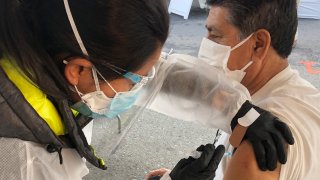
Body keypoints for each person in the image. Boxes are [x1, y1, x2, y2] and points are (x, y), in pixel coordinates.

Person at [0, 0, 294, 180]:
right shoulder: (21, 159)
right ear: (77, 70)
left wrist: (236, 109)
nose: (143, 85)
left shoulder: (37, 45)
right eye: (134, 81)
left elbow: (161, 74)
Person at [148, 0, 320, 179]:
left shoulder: (259, 150)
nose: (205, 44)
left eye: (215, 35)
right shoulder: (309, 98)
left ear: (258, 44)